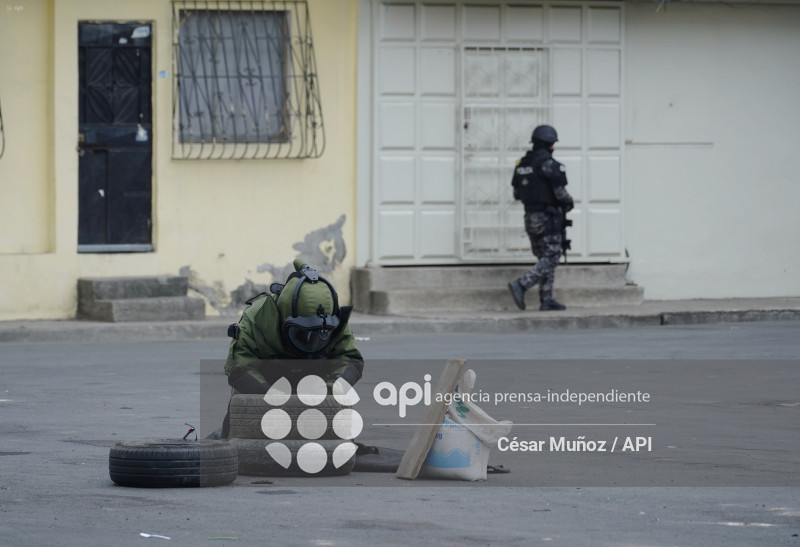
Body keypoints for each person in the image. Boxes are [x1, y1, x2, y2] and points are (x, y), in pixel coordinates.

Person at [219, 258, 364, 436]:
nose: (311, 341)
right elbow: (240, 370)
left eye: (320, 334)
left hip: (317, 387)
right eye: (301, 334)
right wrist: (277, 398)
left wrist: (331, 389)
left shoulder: (333, 319)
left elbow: (351, 360)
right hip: (267, 387)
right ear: (284, 317)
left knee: (338, 448)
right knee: (237, 443)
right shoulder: (258, 316)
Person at [507, 124, 574, 311]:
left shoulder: (522, 165)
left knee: (544, 258)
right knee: (552, 257)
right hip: (547, 217)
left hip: (530, 217)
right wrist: (569, 203)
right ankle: (521, 284)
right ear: (550, 144)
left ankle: (546, 300)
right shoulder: (550, 165)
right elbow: (560, 194)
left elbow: (517, 194)